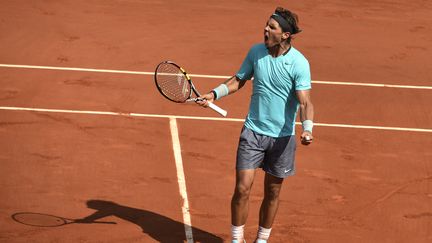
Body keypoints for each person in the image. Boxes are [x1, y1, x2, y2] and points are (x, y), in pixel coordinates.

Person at [197, 6, 314, 243]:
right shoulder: (255, 52)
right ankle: (236, 238)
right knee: (242, 188)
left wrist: (308, 127)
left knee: (273, 192)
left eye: (272, 27)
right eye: (266, 24)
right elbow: (238, 80)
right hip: (253, 132)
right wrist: (214, 94)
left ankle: (261, 240)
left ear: (285, 35)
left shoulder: (299, 63)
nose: (265, 29)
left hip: (282, 138)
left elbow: (305, 102)